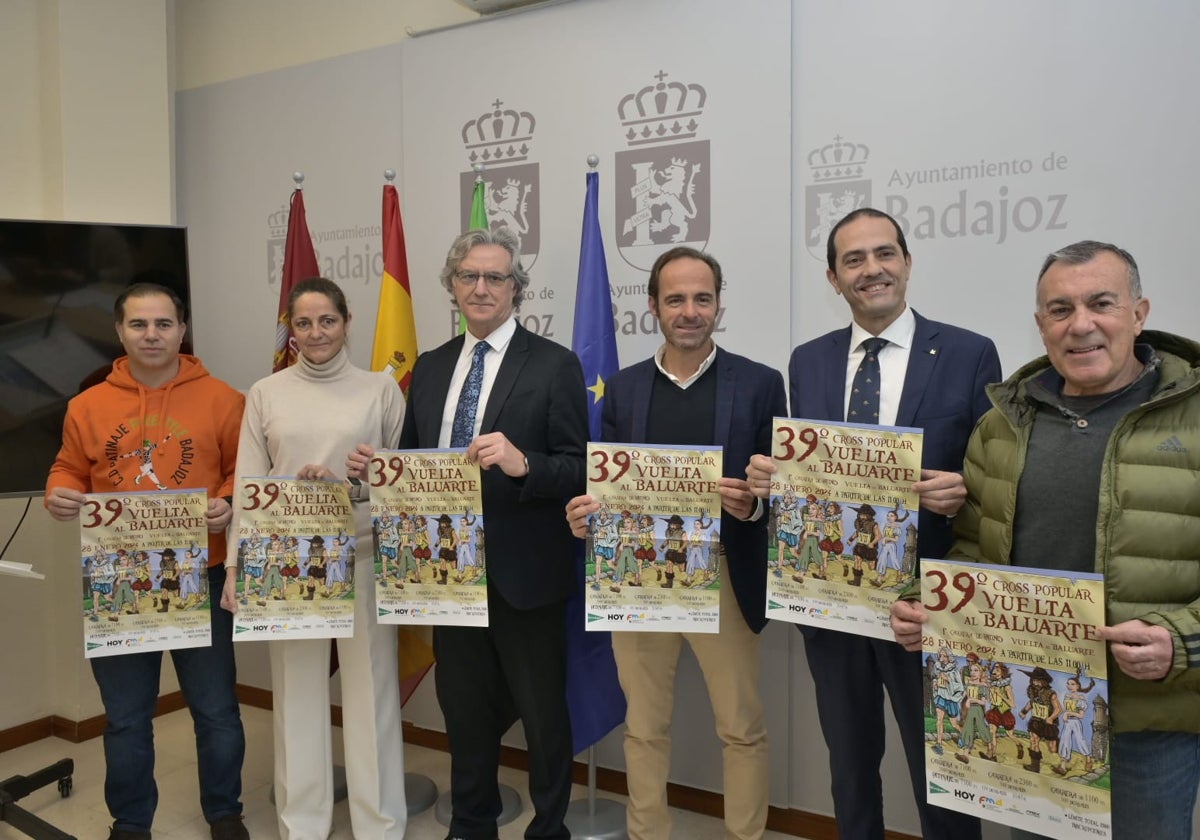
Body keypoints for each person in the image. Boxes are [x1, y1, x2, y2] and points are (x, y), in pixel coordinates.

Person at [891, 240, 1200, 839]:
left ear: (1140, 313)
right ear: (1040, 326)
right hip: (1034, 722)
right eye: (1060, 310)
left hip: (1149, 722)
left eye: (1101, 303)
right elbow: (972, 553)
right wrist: (934, 608)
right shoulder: (1002, 425)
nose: (1080, 325)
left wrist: (1181, 643)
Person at [747, 207, 1000, 839]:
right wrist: (775, 485)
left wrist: (965, 492)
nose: (872, 270)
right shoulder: (808, 361)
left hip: (927, 607)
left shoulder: (970, 353)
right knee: (850, 764)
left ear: (908, 263)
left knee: (942, 770)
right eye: (853, 260)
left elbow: (999, 483)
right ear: (834, 279)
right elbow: (810, 478)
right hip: (831, 600)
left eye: (884, 254)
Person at [349, 227, 587, 840]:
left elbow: (579, 466)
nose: (481, 288)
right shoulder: (429, 368)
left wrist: (523, 462)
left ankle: (549, 828)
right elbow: (413, 466)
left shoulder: (556, 364)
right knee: (464, 712)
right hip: (445, 571)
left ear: (517, 290)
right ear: (452, 287)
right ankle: (472, 822)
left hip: (526, 571)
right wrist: (377, 470)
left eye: (496, 277)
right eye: (468, 277)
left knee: (542, 716)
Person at [565, 247, 786, 840]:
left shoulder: (763, 384)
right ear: (654, 306)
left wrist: (756, 501)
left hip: (724, 575)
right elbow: (608, 484)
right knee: (643, 728)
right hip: (637, 575)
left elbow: (783, 489)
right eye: (676, 299)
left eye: (702, 298)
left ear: (718, 303)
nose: (690, 311)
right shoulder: (625, 389)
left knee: (741, 727)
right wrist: (588, 513)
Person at [44, 282, 248, 840]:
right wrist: (58, 490)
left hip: (201, 574)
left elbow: (244, 471)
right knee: (127, 717)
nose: (152, 335)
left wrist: (227, 501)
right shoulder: (86, 406)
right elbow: (68, 469)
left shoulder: (225, 400)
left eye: (163, 324)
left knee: (215, 711)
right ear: (120, 332)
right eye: (139, 325)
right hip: (118, 578)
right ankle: (131, 822)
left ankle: (224, 812)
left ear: (182, 331)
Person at [222, 276, 406, 839]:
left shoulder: (382, 389)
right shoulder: (265, 392)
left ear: (347, 322)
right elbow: (248, 483)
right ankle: (302, 823)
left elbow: (402, 487)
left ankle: (380, 825)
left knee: (370, 695)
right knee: (297, 694)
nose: (316, 332)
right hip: (287, 560)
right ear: (291, 331)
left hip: (363, 555)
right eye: (303, 323)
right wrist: (235, 568)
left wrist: (349, 484)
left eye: (327, 320)